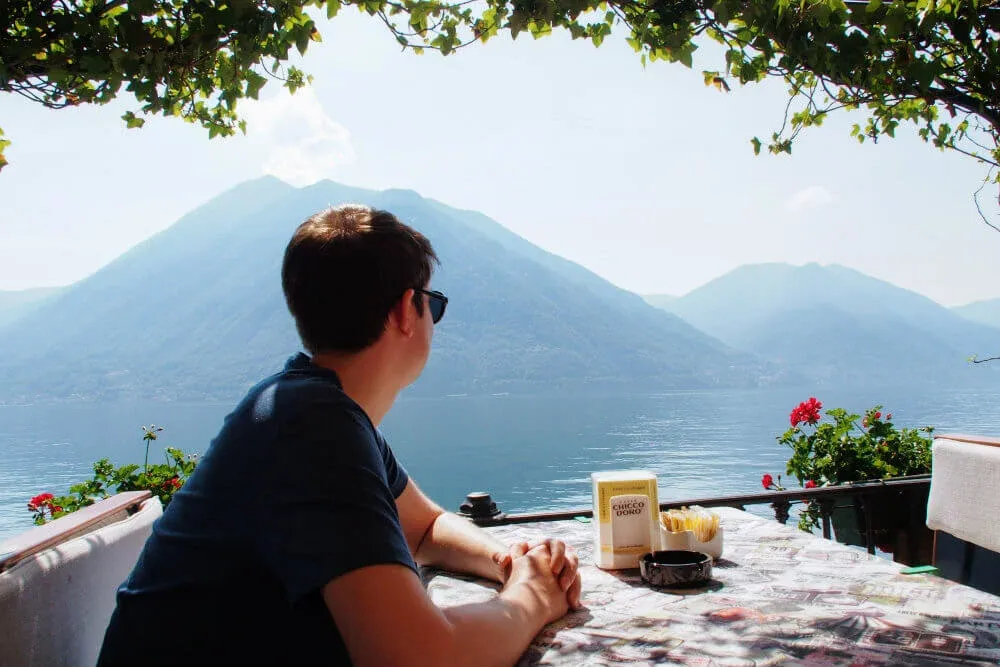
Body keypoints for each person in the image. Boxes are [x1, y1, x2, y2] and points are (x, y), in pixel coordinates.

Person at [97, 204, 582, 666]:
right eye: (432, 304)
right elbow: (420, 659)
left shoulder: (310, 409)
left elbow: (423, 528)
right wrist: (534, 597)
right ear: (403, 311)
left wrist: (507, 559)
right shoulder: (312, 425)